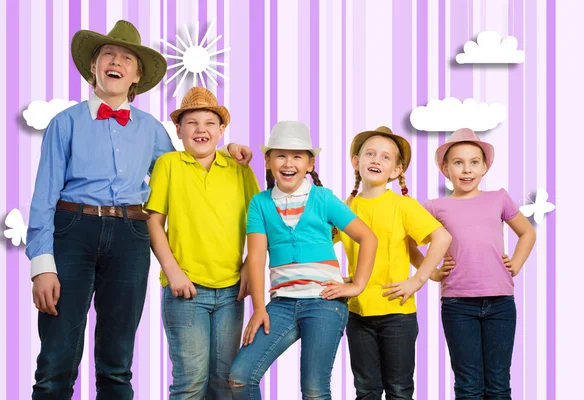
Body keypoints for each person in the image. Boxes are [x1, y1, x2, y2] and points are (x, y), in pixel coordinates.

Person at [26, 20, 251, 399]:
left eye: (126, 58)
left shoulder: (151, 130)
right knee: (57, 353)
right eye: (107, 55)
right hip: (72, 231)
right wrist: (42, 265)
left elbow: (187, 168)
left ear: (136, 76)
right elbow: (43, 196)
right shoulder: (65, 123)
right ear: (93, 68)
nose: (116, 62)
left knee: (117, 358)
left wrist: (228, 150)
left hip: (131, 235)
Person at [229, 121, 378, 399]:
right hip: (282, 305)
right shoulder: (259, 204)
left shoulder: (323, 198)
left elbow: (368, 238)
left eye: (297, 156)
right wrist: (259, 308)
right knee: (240, 377)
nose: (289, 162)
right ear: (268, 161)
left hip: (324, 304)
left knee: (313, 389)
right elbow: (257, 258)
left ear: (310, 163)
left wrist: (357, 286)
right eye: (281, 155)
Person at [145, 86, 260, 399]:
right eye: (192, 123)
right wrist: (173, 271)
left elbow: (259, 225)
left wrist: (250, 265)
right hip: (187, 290)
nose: (201, 129)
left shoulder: (239, 168)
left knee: (225, 381)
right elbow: (154, 221)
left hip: (230, 292)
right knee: (190, 383)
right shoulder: (169, 165)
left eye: (210, 123)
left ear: (222, 130)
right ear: (179, 130)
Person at [420, 128, 536, 399]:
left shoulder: (498, 198)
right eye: (458, 162)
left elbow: (526, 232)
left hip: (501, 304)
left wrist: (516, 264)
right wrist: (433, 272)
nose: (466, 169)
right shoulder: (435, 207)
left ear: (485, 166)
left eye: (474, 162)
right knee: (469, 384)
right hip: (458, 306)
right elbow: (408, 240)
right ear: (445, 168)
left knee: (498, 383)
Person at [339, 126, 452, 399]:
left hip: (397, 315)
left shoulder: (403, 205)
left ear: (396, 170)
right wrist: (335, 276)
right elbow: (318, 242)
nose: (376, 160)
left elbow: (441, 237)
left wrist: (420, 278)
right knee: (366, 390)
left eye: (385, 157)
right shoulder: (346, 208)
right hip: (358, 313)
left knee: (399, 390)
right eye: (370, 154)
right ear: (357, 162)